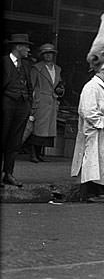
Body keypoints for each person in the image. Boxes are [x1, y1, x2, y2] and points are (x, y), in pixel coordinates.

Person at [71, 60, 104, 203]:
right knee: (93, 160)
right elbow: (88, 110)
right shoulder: (91, 87)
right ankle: (89, 193)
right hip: (96, 130)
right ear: (102, 71)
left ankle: (100, 191)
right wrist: (100, 125)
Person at [2, 34, 33, 188]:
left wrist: (29, 106)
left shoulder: (26, 65)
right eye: (26, 46)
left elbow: (29, 86)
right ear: (18, 47)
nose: (28, 49)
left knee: (14, 142)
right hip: (6, 104)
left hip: (21, 106)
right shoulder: (4, 62)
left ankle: (8, 174)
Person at [26, 42, 64, 163]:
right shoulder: (37, 68)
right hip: (40, 101)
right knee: (37, 129)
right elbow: (31, 86)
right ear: (42, 55)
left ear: (53, 55)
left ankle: (39, 153)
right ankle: (33, 154)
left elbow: (59, 84)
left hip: (52, 102)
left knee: (47, 130)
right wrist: (32, 103)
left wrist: (60, 91)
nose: (48, 56)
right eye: (46, 54)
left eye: (50, 53)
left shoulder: (57, 69)